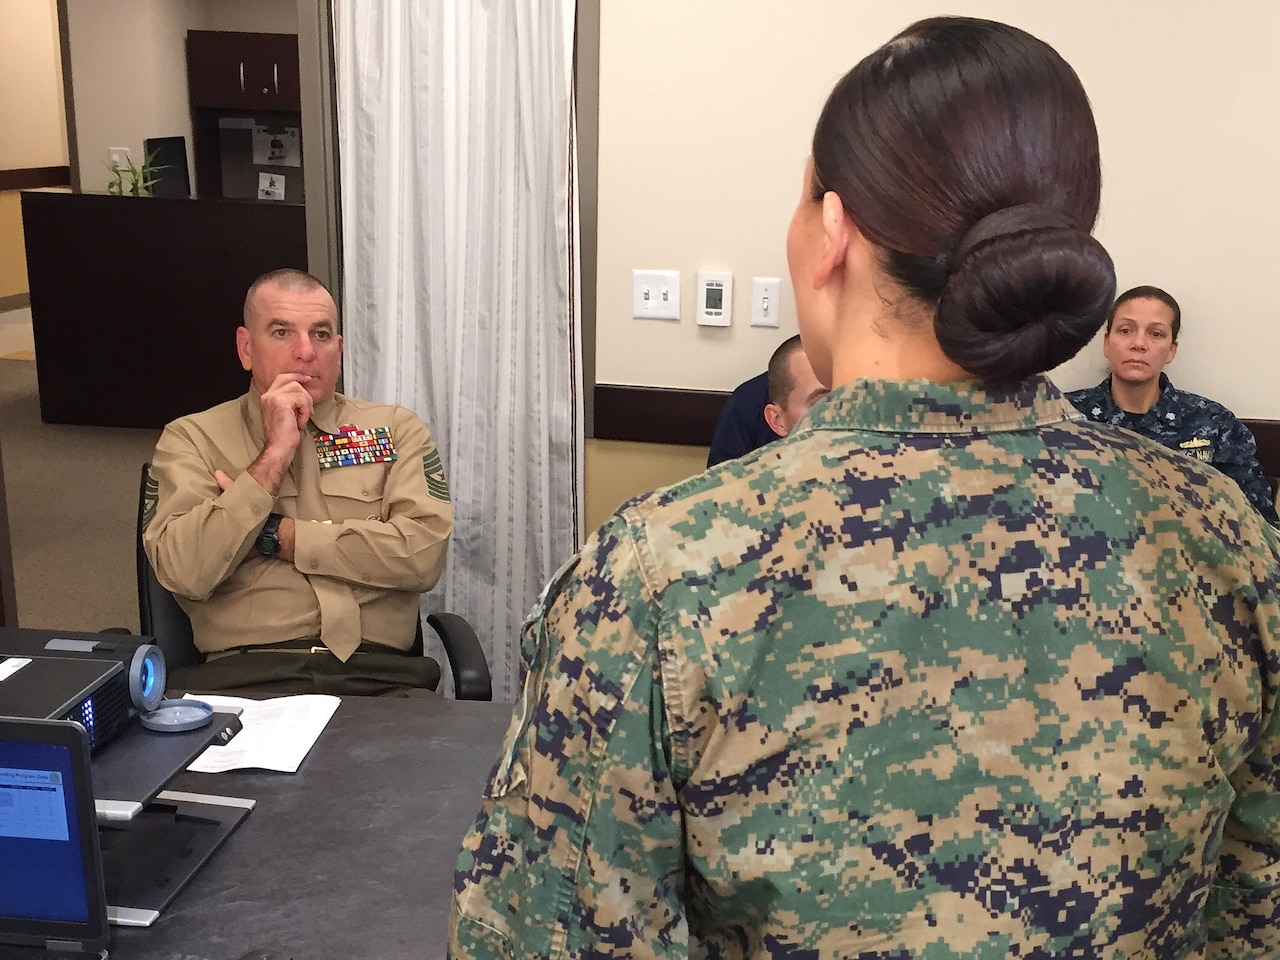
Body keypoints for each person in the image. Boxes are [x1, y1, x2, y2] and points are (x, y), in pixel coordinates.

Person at [452, 16, 1280, 959]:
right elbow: (1259, 912)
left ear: (830, 235)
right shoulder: (1228, 542)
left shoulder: (662, 573)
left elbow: (550, 938)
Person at [144, 268, 452, 696]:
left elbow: (422, 555)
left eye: (321, 334)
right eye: (282, 332)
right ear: (246, 348)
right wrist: (272, 457)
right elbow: (184, 570)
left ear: (338, 350)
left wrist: (273, 534)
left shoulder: (394, 429)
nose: (306, 351)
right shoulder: (192, 439)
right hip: (246, 677)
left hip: (380, 677)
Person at [1067, 286, 1279, 524]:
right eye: (1125, 330)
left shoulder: (1213, 422)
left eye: (1156, 334)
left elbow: (1259, 524)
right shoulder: (1065, 415)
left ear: (1171, 350)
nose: (1138, 343)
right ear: (1106, 343)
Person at [707, 335, 828, 466]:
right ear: (777, 420)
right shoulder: (749, 403)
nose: (843, 410)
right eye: (823, 403)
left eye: (852, 397)